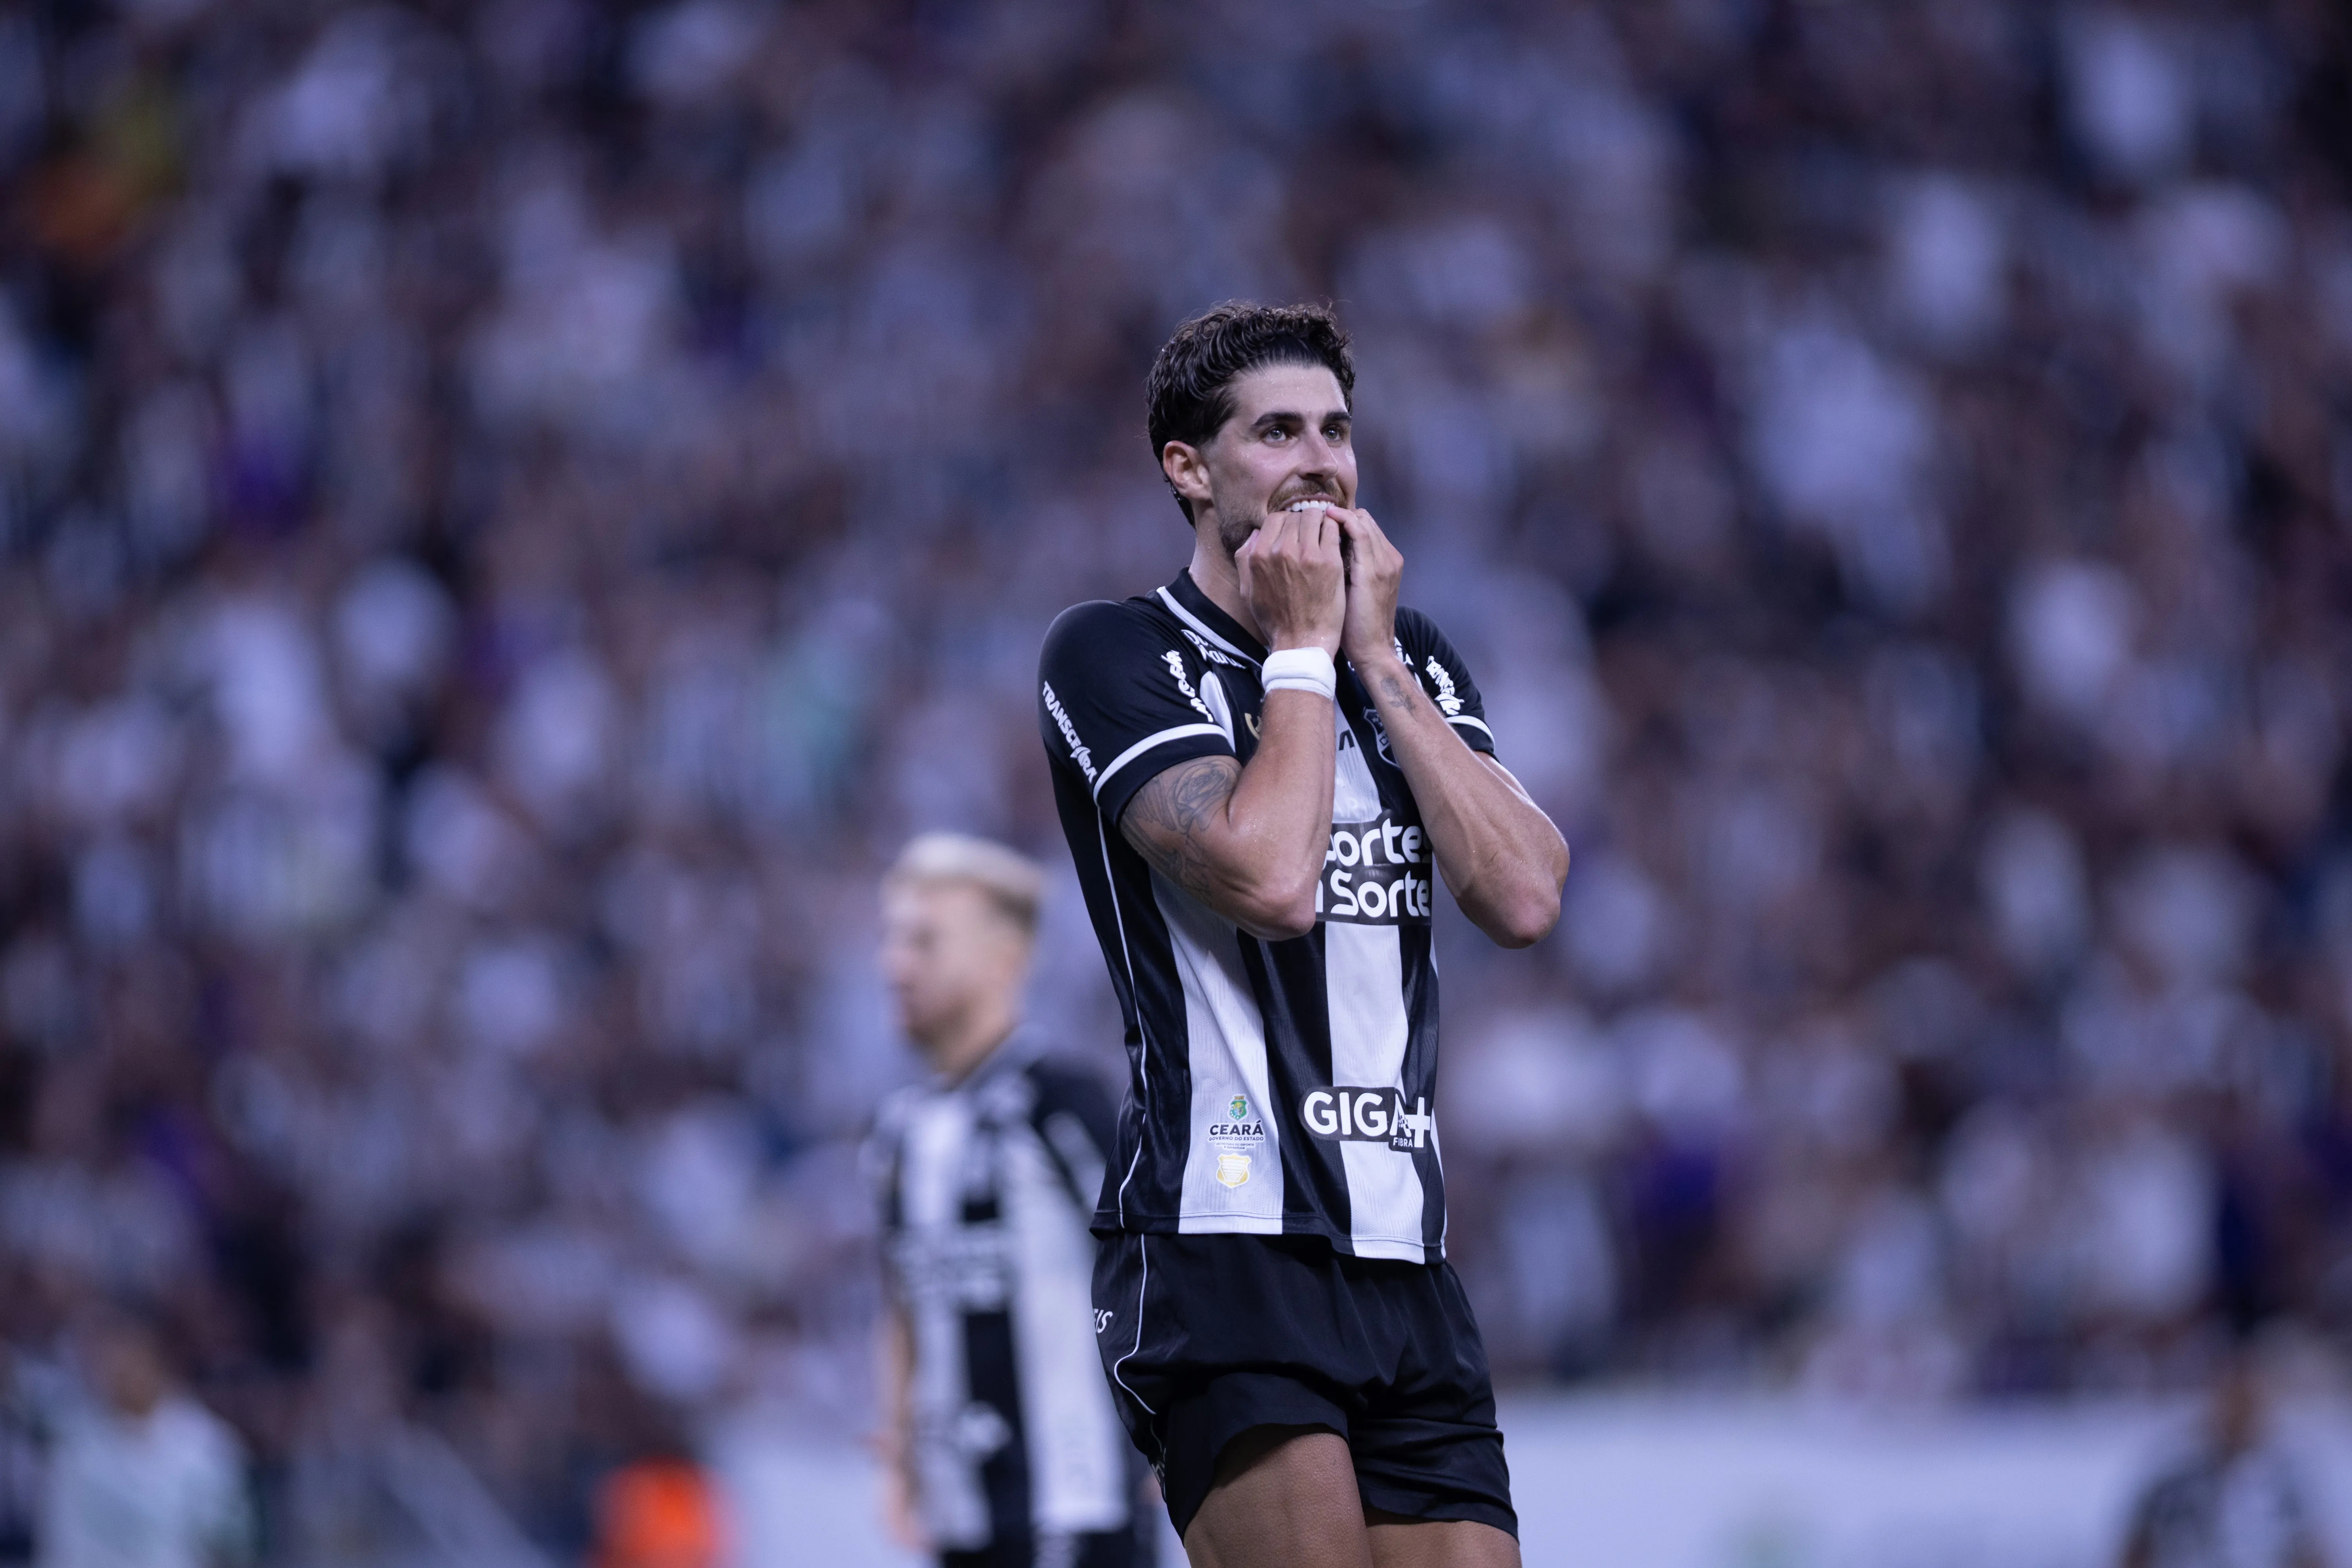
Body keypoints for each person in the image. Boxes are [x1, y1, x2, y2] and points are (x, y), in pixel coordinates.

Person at [1034, 302, 1570, 1568]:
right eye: (1277, 433)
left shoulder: (1413, 664)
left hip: (1406, 1257)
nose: (1320, 461)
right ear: (1189, 466)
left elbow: (1528, 898)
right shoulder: (1117, 653)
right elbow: (1270, 881)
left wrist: (1375, 664)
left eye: (1337, 431)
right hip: (1221, 1246)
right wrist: (1304, 654)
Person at [866, 834, 1151, 1568]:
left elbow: (1154, 1259)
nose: (895, 966)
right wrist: (897, 1458)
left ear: (1005, 959)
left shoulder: (1057, 1103)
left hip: (1077, 1508)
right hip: (961, 1516)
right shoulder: (899, 1133)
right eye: (893, 940)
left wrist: (1174, 1428)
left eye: (924, 941)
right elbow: (904, 1304)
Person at [36, 1315, 251, 1568]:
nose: (121, 1371)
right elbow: (61, 1541)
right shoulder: (75, 1444)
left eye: (131, 1358)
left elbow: (229, 1545)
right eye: (110, 1361)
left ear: (158, 1363)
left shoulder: (207, 1445)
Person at [2116, 1354, 2330, 1568]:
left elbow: (2309, 1553)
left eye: (2249, 1406)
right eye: (2231, 1403)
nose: (2239, 1416)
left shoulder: (2285, 1485)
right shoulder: (2174, 1481)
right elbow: (2137, 1548)